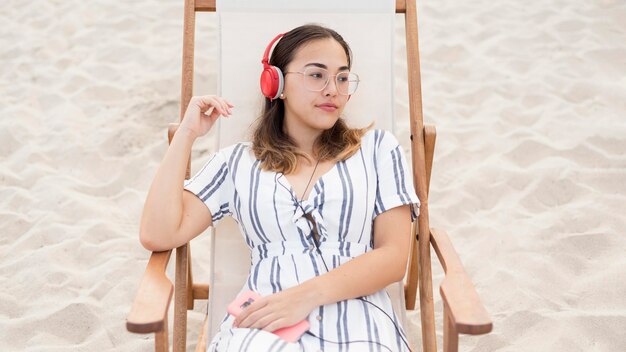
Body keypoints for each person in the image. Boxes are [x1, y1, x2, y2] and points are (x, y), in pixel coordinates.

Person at [140, 24, 420, 352]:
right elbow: (158, 234)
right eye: (317, 75)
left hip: (358, 315)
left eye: (342, 78)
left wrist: (303, 297)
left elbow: (393, 257)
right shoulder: (237, 162)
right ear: (278, 83)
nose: (333, 89)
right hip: (265, 319)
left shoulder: (378, 149)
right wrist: (186, 134)